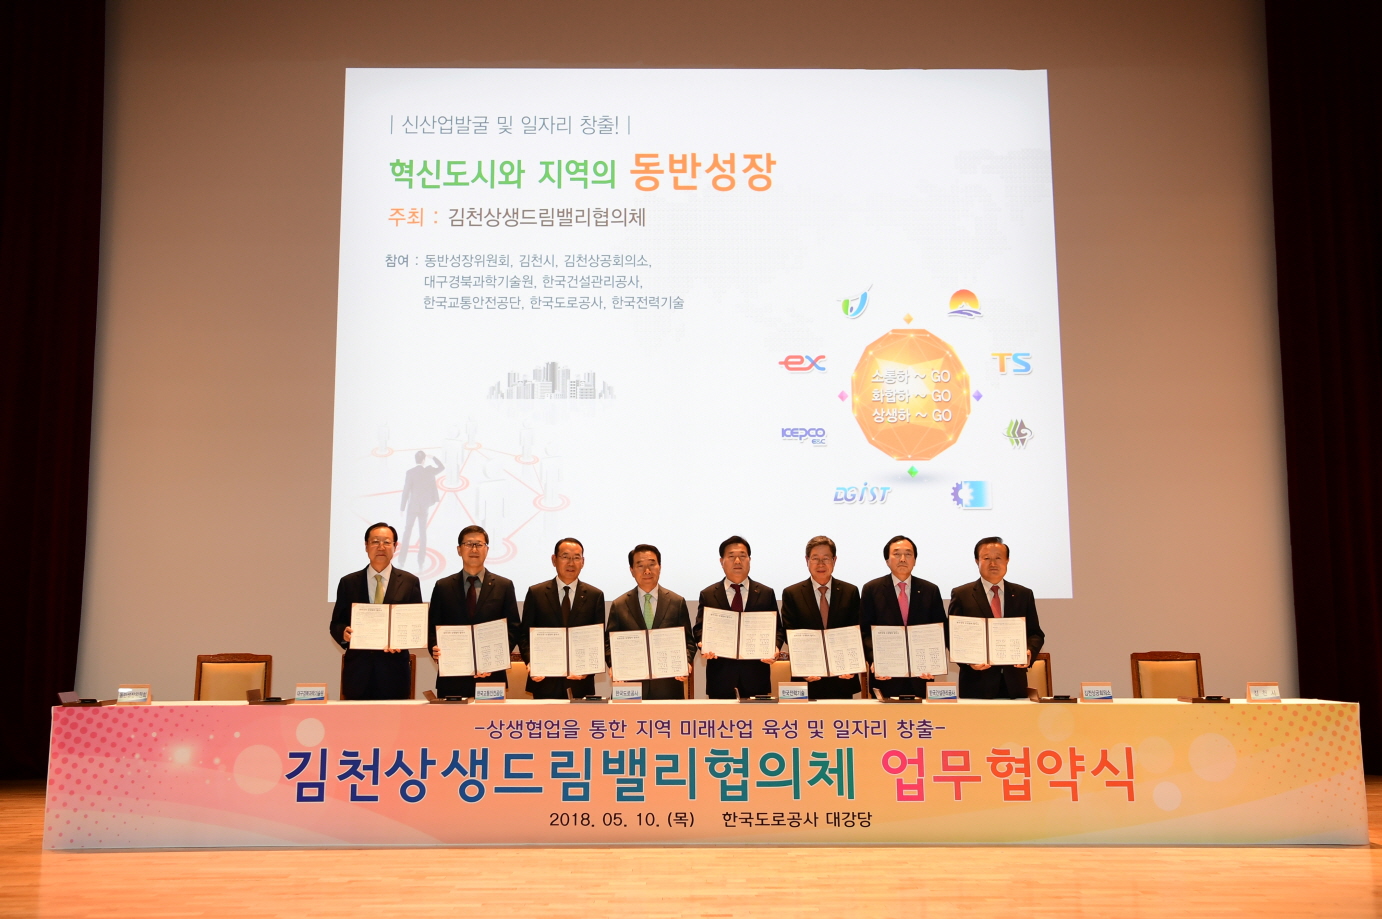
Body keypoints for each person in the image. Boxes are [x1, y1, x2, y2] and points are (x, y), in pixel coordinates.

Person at [329, 522, 423, 700]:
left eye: (387, 542)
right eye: (375, 542)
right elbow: (336, 623)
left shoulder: (409, 582)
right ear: (366, 546)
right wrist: (344, 633)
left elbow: (416, 623)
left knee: (394, 718)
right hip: (358, 672)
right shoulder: (349, 582)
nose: (381, 547)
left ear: (395, 546)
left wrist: (403, 641)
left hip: (394, 672)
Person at [427, 525, 520, 698]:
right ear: (459, 550)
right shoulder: (443, 586)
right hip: (452, 677)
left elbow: (513, 628)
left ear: (487, 549)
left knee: (489, 716)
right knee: (451, 717)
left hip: (491, 676)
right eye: (469, 544)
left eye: (479, 544)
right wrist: (434, 648)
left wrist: (494, 660)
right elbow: (432, 628)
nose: (474, 549)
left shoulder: (504, 586)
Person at [949, 536, 1044, 699]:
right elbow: (953, 636)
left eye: (998, 558)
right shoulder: (962, 594)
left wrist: (1029, 651)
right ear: (977, 561)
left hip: (1014, 682)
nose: (993, 563)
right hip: (976, 683)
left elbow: (1035, 634)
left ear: (1007, 561)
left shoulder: (1023, 594)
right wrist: (968, 661)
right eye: (986, 558)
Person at [693, 536, 782, 699]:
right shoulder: (708, 594)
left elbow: (778, 630)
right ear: (722, 561)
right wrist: (703, 645)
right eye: (731, 556)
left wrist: (775, 648)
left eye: (742, 556)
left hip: (756, 677)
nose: (737, 561)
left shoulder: (766, 593)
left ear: (749, 560)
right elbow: (699, 629)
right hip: (720, 678)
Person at [518, 537, 606, 699]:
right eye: (565, 557)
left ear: (583, 562)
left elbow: (598, 639)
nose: (571, 563)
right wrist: (532, 663)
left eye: (576, 558)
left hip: (580, 682)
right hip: (544, 681)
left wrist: (588, 669)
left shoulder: (595, 596)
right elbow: (524, 635)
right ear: (554, 560)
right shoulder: (536, 593)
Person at [860, 535, 946, 698]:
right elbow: (864, 631)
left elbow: (940, 630)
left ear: (915, 560)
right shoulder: (871, 589)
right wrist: (875, 659)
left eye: (908, 554)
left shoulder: (930, 590)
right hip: (886, 676)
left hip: (921, 676)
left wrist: (934, 662)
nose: (902, 559)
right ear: (887, 560)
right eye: (896, 554)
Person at [605, 544, 696, 699]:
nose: (647, 571)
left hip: (668, 686)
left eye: (652, 564)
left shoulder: (676, 602)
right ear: (632, 570)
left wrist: (684, 662)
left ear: (660, 567)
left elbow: (688, 642)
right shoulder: (619, 604)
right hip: (629, 686)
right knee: (626, 716)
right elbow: (609, 643)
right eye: (640, 565)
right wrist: (614, 664)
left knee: (668, 716)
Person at [780, 535, 862, 699]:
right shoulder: (792, 593)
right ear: (807, 560)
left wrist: (851, 664)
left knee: (841, 716)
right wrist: (805, 667)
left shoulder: (850, 592)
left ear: (834, 560)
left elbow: (856, 631)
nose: (820, 564)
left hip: (842, 677)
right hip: (806, 676)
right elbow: (790, 633)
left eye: (826, 558)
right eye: (815, 558)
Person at [399, 451, 444, 570]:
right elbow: (442, 467)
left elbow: (406, 491)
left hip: (412, 507)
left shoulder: (410, 473)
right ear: (424, 460)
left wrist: (402, 508)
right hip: (424, 507)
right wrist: (433, 457)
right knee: (422, 533)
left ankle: (402, 560)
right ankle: (421, 561)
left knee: (407, 532)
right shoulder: (429, 471)